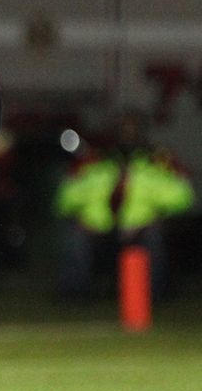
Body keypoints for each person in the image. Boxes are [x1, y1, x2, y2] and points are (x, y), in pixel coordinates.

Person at [56, 110, 194, 299]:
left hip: (139, 229)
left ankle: (151, 296)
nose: (126, 135)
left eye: (131, 129)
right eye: (121, 129)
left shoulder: (158, 160)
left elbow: (183, 196)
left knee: (154, 236)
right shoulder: (93, 160)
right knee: (76, 236)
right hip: (99, 230)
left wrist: (151, 218)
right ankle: (74, 295)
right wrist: (83, 218)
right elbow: (65, 197)